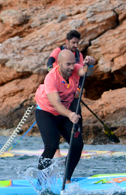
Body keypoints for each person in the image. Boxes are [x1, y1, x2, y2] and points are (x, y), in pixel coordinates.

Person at [34, 49, 96, 184]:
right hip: (46, 113)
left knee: (77, 144)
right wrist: (71, 114)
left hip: (64, 113)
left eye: (73, 64)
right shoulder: (51, 78)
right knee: (51, 145)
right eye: (68, 64)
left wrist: (89, 65)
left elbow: (86, 73)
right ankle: (40, 180)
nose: (71, 67)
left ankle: (67, 178)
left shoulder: (74, 70)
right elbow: (56, 104)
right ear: (59, 63)